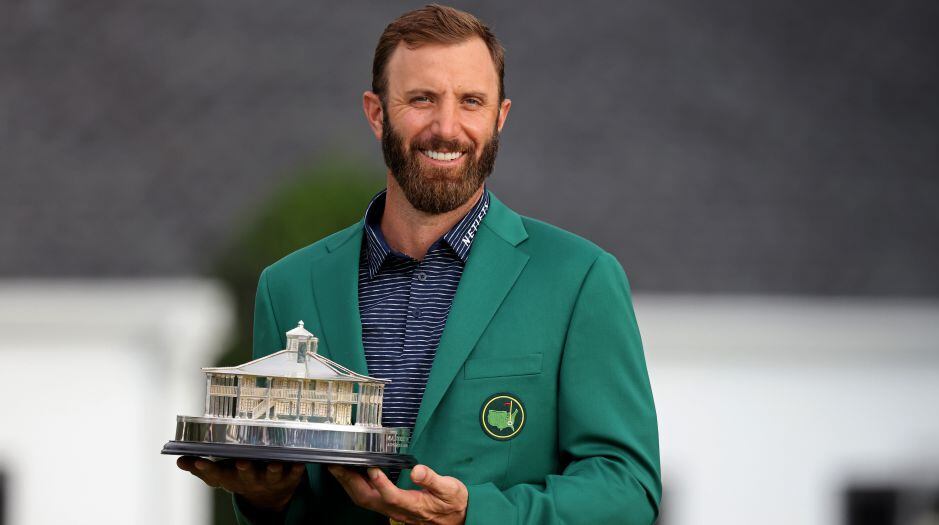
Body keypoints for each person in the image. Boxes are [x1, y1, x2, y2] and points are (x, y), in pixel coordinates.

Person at [177, 5, 661, 524]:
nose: (446, 127)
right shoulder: (288, 287)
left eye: (471, 101)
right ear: (376, 112)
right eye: (421, 99)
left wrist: (474, 515)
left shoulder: (579, 279)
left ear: (500, 117)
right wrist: (263, 499)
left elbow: (628, 489)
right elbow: (289, 502)